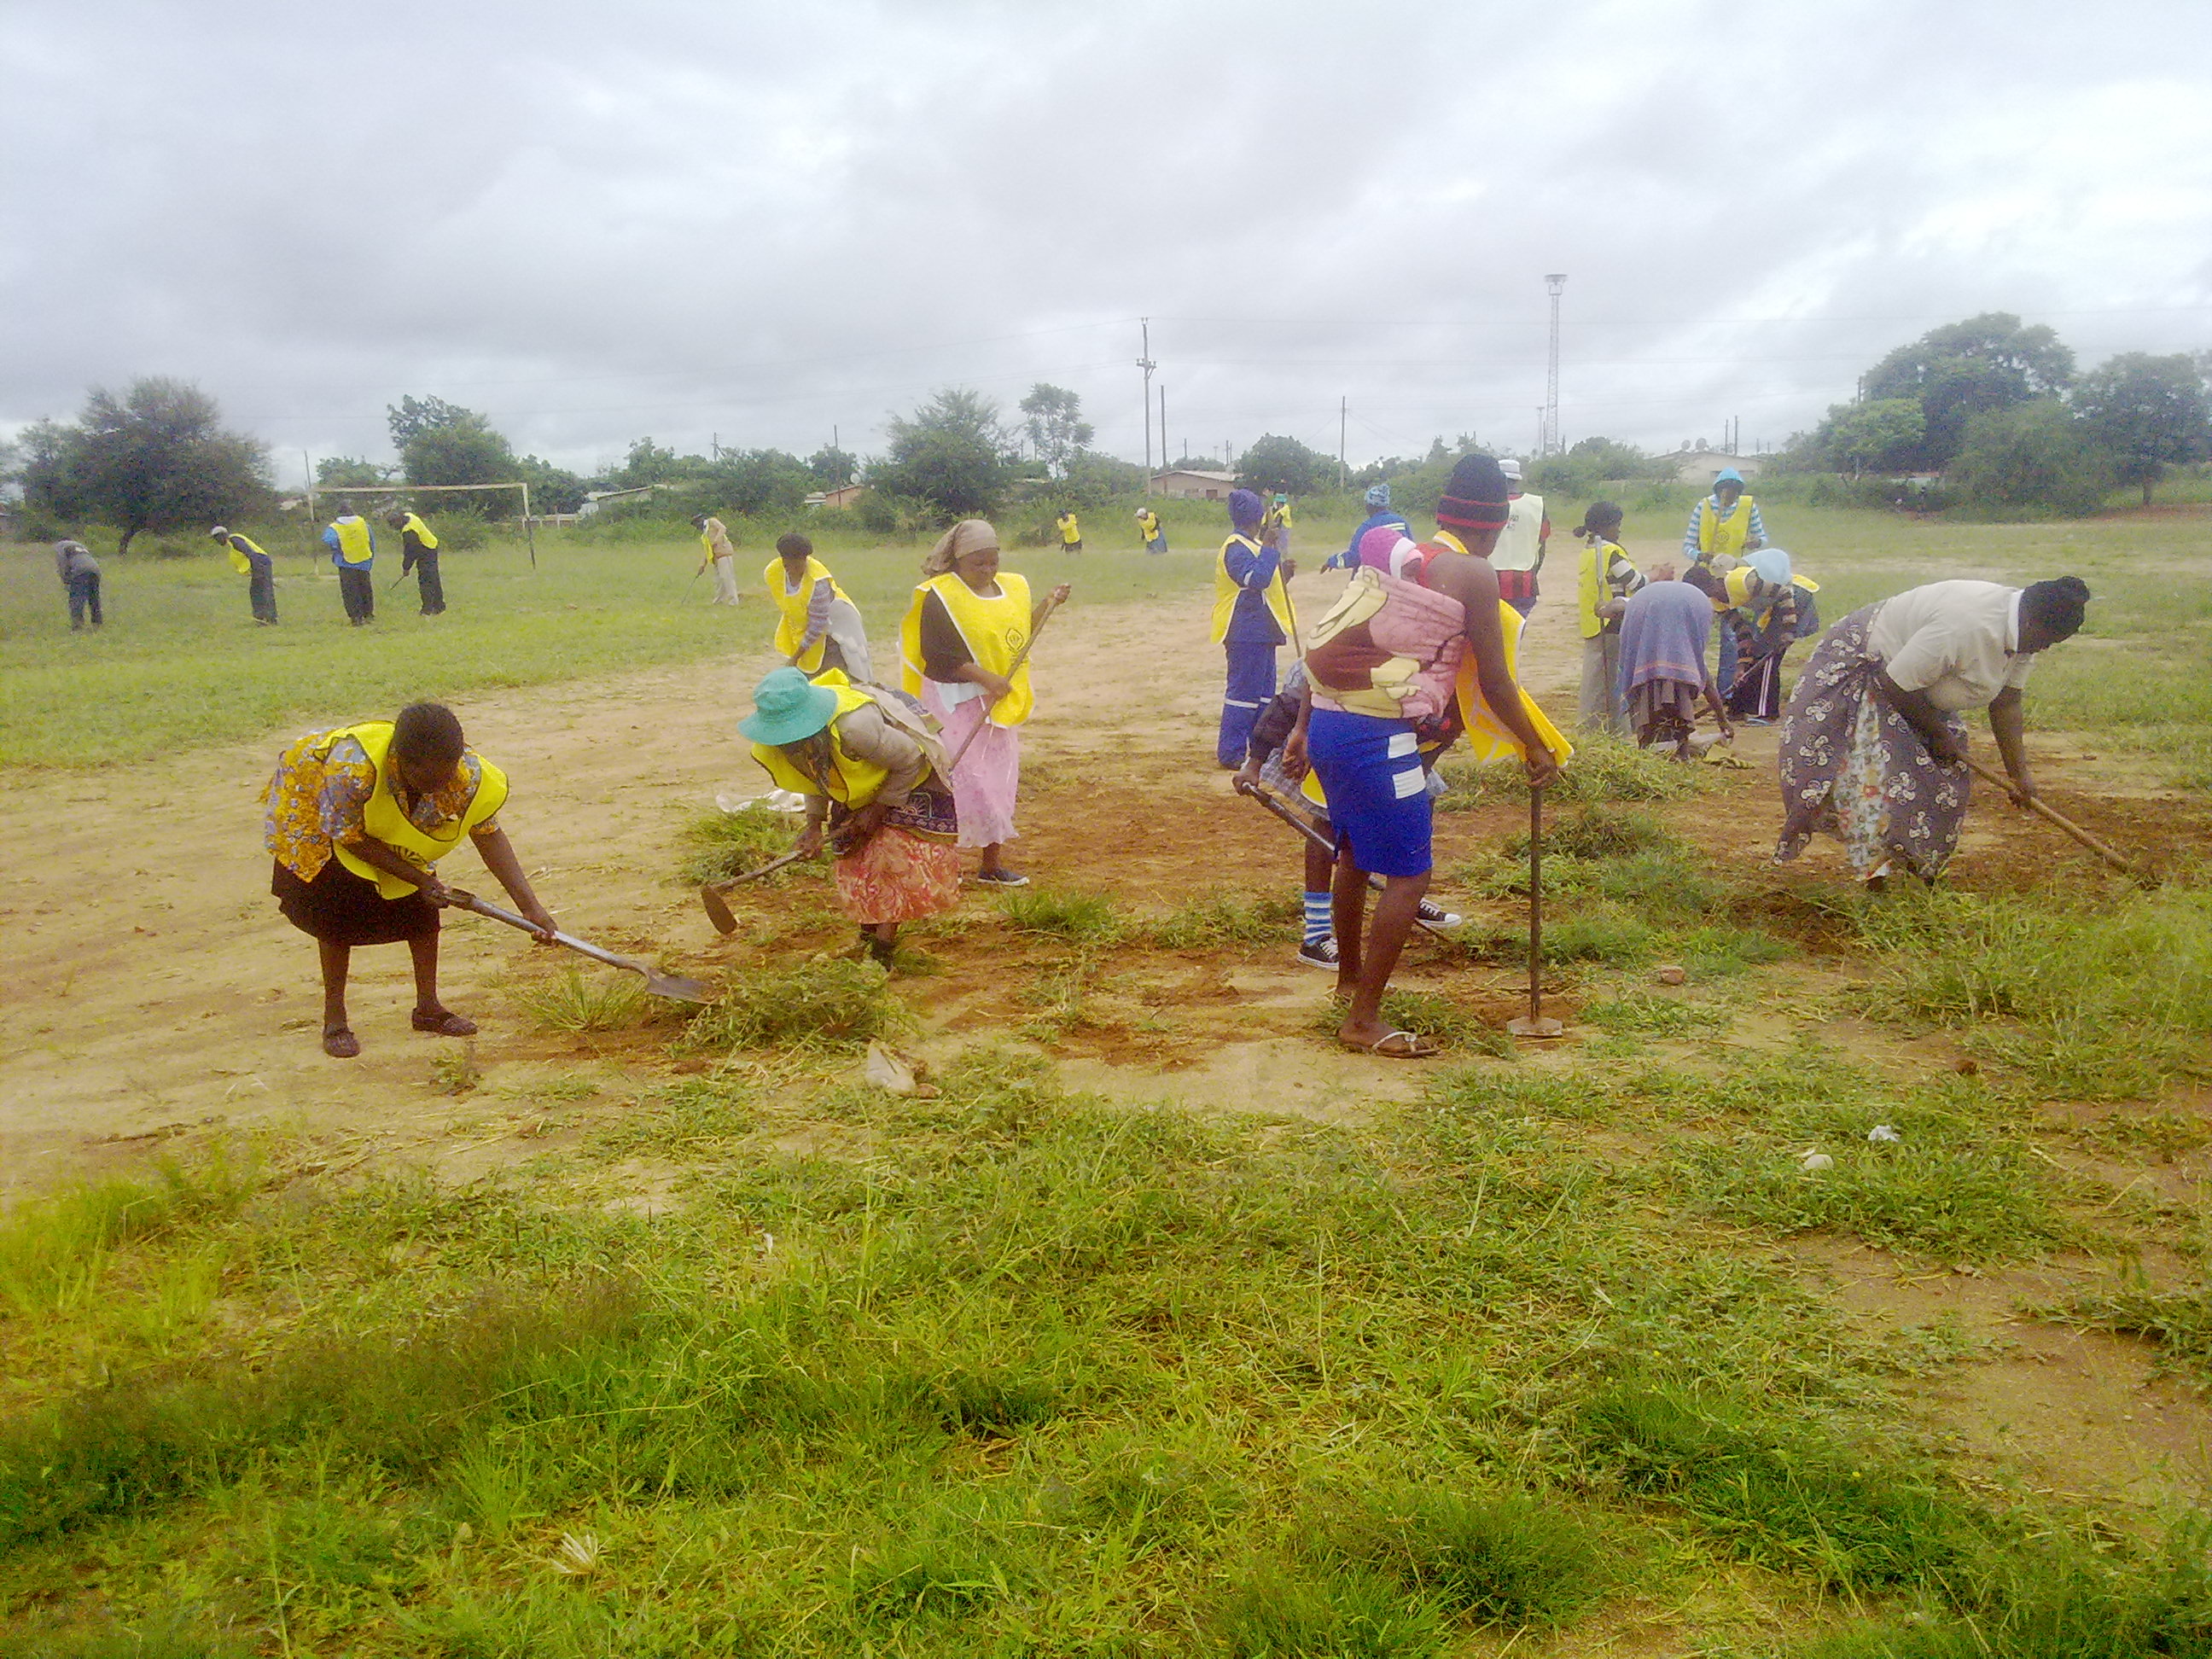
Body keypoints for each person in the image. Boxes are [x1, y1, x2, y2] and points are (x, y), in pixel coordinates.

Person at [1290, 452, 1569, 1057]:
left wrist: (1299, 731)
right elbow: (1495, 681)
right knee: (1410, 875)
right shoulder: (1471, 573)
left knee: (1354, 858)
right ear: (1495, 525)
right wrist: (1536, 744)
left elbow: (1347, 641)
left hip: (1332, 727)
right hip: (1379, 737)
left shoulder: (1406, 558)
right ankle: (1362, 1020)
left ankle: (1348, 986)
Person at [263, 701, 556, 1058]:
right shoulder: (353, 767)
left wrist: (531, 908)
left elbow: (488, 833)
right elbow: (347, 834)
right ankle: (335, 1018)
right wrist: (419, 878)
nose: (437, 790)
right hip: (317, 812)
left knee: (422, 912)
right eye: (426, 782)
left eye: (444, 779)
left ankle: (428, 1009)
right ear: (402, 762)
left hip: (371, 820)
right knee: (336, 912)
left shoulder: (463, 774)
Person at [1776, 576, 2092, 888]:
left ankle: (1921, 867)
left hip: (1914, 687)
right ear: (2032, 622)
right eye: (2048, 640)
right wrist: (1940, 735)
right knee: (1869, 783)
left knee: (1941, 779)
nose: (2045, 648)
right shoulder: (1966, 626)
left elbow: (2007, 702)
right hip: (1869, 669)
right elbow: (1896, 682)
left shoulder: (2024, 635)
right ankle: (1876, 882)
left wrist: (2019, 775)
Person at [1237, 662, 1464, 969]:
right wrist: (1254, 763)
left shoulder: (1449, 678)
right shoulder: (1355, 661)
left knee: (1424, 796)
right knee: (1330, 821)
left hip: (1391, 744)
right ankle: (1316, 935)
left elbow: (1438, 741)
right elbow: (1287, 706)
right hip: (1326, 734)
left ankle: (1401, 895)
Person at [743, 666, 961, 967]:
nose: (787, 743)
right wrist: (813, 825)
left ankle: (882, 951)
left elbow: (910, 758)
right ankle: (867, 937)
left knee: (890, 856)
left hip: (910, 771)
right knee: (856, 860)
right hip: (862, 779)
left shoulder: (854, 728)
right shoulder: (783, 744)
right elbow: (815, 777)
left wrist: (879, 808)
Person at [899, 521, 1071, 888]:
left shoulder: (1011, 587)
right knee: (961, 781)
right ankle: (944, 865)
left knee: (998, 783)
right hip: (953, 700)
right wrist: (985, 678)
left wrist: (1048, 603)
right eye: (979, 563)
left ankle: (990, 865)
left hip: (997, 703)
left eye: (993, 562)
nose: (988, 570)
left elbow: (1020, 631)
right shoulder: (940, 595)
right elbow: (938, 655)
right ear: (957, 561)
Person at [1212, 488, 1298, 768]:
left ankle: (1258, 750)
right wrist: (1271, 551)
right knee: (1243, 695)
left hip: (1264, 630)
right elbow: (1256, 579)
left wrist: (1283, 575)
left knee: (1263, 696)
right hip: (1244, 630)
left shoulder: (1251, 545)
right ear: (1258, 517)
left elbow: (1266, 585)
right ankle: (1231, 753)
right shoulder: (1235, 547)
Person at [1616, 576, 1733, 760]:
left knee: (1648, 706)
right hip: (1680, 671)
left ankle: (1648, 754)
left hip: (1643, 663)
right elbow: (1705, 679)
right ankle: (1681, 755)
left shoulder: (1643, 608)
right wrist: (1722, 719)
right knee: (1680, 704)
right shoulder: (1686, 649)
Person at [1682, 468, 1766, 694]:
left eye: (1733, 492)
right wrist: (1700, 556)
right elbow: (1687, 547)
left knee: (1731, 637)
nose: (1728, 496)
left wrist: (1755, 542)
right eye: (1724, 492)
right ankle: (1691, 685)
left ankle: (1728, 691)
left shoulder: (1749, 507)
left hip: (1735, 581)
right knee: (1699, 633)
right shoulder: (1704, 507)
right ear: (1717, 490)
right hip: (1706, 581)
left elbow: (1762, 537)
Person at [1714, 549, 1819, 725]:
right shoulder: (1716, 601)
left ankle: (1767, 712)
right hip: (1772, 606)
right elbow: (1743, 633)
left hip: (1793, 599)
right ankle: (1738, 708)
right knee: (1755, 651)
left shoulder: (1747, 582)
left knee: (1768, 654)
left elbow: (1785, 594)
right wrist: (1742, 663)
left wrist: (1788, 629)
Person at [1575, 501, 1645, 735]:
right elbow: (1637, 583)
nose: (1619, 530)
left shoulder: (1588, 551)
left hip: (1593, 625)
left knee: (1596, 684)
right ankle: (1607, 735)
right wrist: (1657, 575)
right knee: (1611, 687)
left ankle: (1596, 734)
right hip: (1612, 625)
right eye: (1617, 525)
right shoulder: (1610, 552)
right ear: (1605, 526)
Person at [765, 532, 872, 681]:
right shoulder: (774, 572)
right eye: (789, 564)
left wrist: (795, 658)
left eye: (799, 563)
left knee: (835, 676)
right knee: (808, 674)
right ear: (783, 561)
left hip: (835, 629)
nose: (794, 568)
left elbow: (817, 626)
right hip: (806, 628)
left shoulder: (818, 584)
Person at [1490, 458, 1550, 618]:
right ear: (1517, 479)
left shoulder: (1486, 505)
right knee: (1515, 632)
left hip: (1489, 579)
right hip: (1524, 581)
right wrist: (1532, 572)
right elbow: (1541, 547)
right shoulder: (1537, 505)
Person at [1329, 483, 1408, 571]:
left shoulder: (1367, 527)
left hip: (1376, 577)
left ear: (1369, 505)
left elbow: (1355, 558)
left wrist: (1333, 561)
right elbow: (1409, 547)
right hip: (1400, 575)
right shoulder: (1401, 522)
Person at [322, 500, 375, 626]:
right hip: (364, 560)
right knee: (365, 589)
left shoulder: (335, 527)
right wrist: (371, 557)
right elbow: (371, 541)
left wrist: (337, 548)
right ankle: (368, 614)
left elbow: (328, 540)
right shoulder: (363, 523)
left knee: (350, 591)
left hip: (345, 562)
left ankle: (356, 617)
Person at [211, 525, 277, 625]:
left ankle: (270, 618)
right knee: (257, 591)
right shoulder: (232, 542)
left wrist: (258, 569)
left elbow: (250, 553)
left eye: (217, 538)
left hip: (260, 562)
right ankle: (261, 617)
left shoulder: (234, 540)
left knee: (263, 591)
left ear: (222, 535)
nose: (217, 541)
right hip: (259, 563)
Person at [385, 509, 445, 616]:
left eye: (394, 525)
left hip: (426, 549)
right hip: (431, 545)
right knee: (434, 577)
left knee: (425, 580)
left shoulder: (408, 531)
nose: (395, 528)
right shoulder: (410, 516)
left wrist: (406, 568)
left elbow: (410, 552)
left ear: (398, 521)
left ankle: (427, 609)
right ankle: (439, 606)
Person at [690, 514, 742, 606]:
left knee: (727, 578)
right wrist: (702, 565)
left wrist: (716, 540)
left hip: (724, 554)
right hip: (715, 559)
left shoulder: (712, 522)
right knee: (719, 581)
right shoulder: (704, 536)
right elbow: (706, 551)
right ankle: (719, 600)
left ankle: (734, 601)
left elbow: (723, 528)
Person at [55, 538, 102, 631]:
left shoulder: (60, 547)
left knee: (77, 598)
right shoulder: (81, 546)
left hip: (80, 571)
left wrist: (66, 581)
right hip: (95, 570)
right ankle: (97, 623)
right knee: (94, 597)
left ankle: (77, 626)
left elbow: (63, 565)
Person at [1264, 492, 1294, 558]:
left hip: (1285, 527)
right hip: (1281, 527)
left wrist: (1271, 526)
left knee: (1283, 542)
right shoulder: (1279, 509)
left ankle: (1284, 556)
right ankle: (1280, 555)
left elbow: (1278, 521)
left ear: (1279, 502)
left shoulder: (1285, 508)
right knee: (1279, 542)